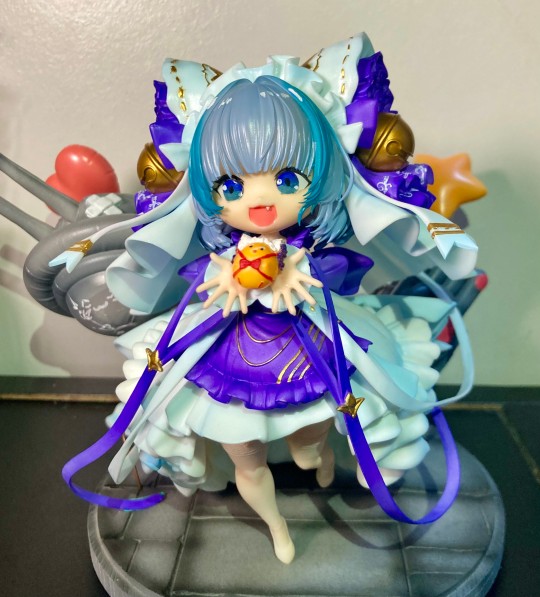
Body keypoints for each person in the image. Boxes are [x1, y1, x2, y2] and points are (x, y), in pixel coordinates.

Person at [54, 35, 478, 564]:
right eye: (231, 186)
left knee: (312, 438)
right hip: (229, 355)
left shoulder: (313, 252)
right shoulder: (220, 256)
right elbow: (201, 279)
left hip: (310, 348)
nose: (258, 198)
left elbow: (339, 273)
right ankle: (276, 526)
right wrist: (228, 279)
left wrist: (300, 276)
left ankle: (319, 458)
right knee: (244, 455)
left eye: (286, 178)